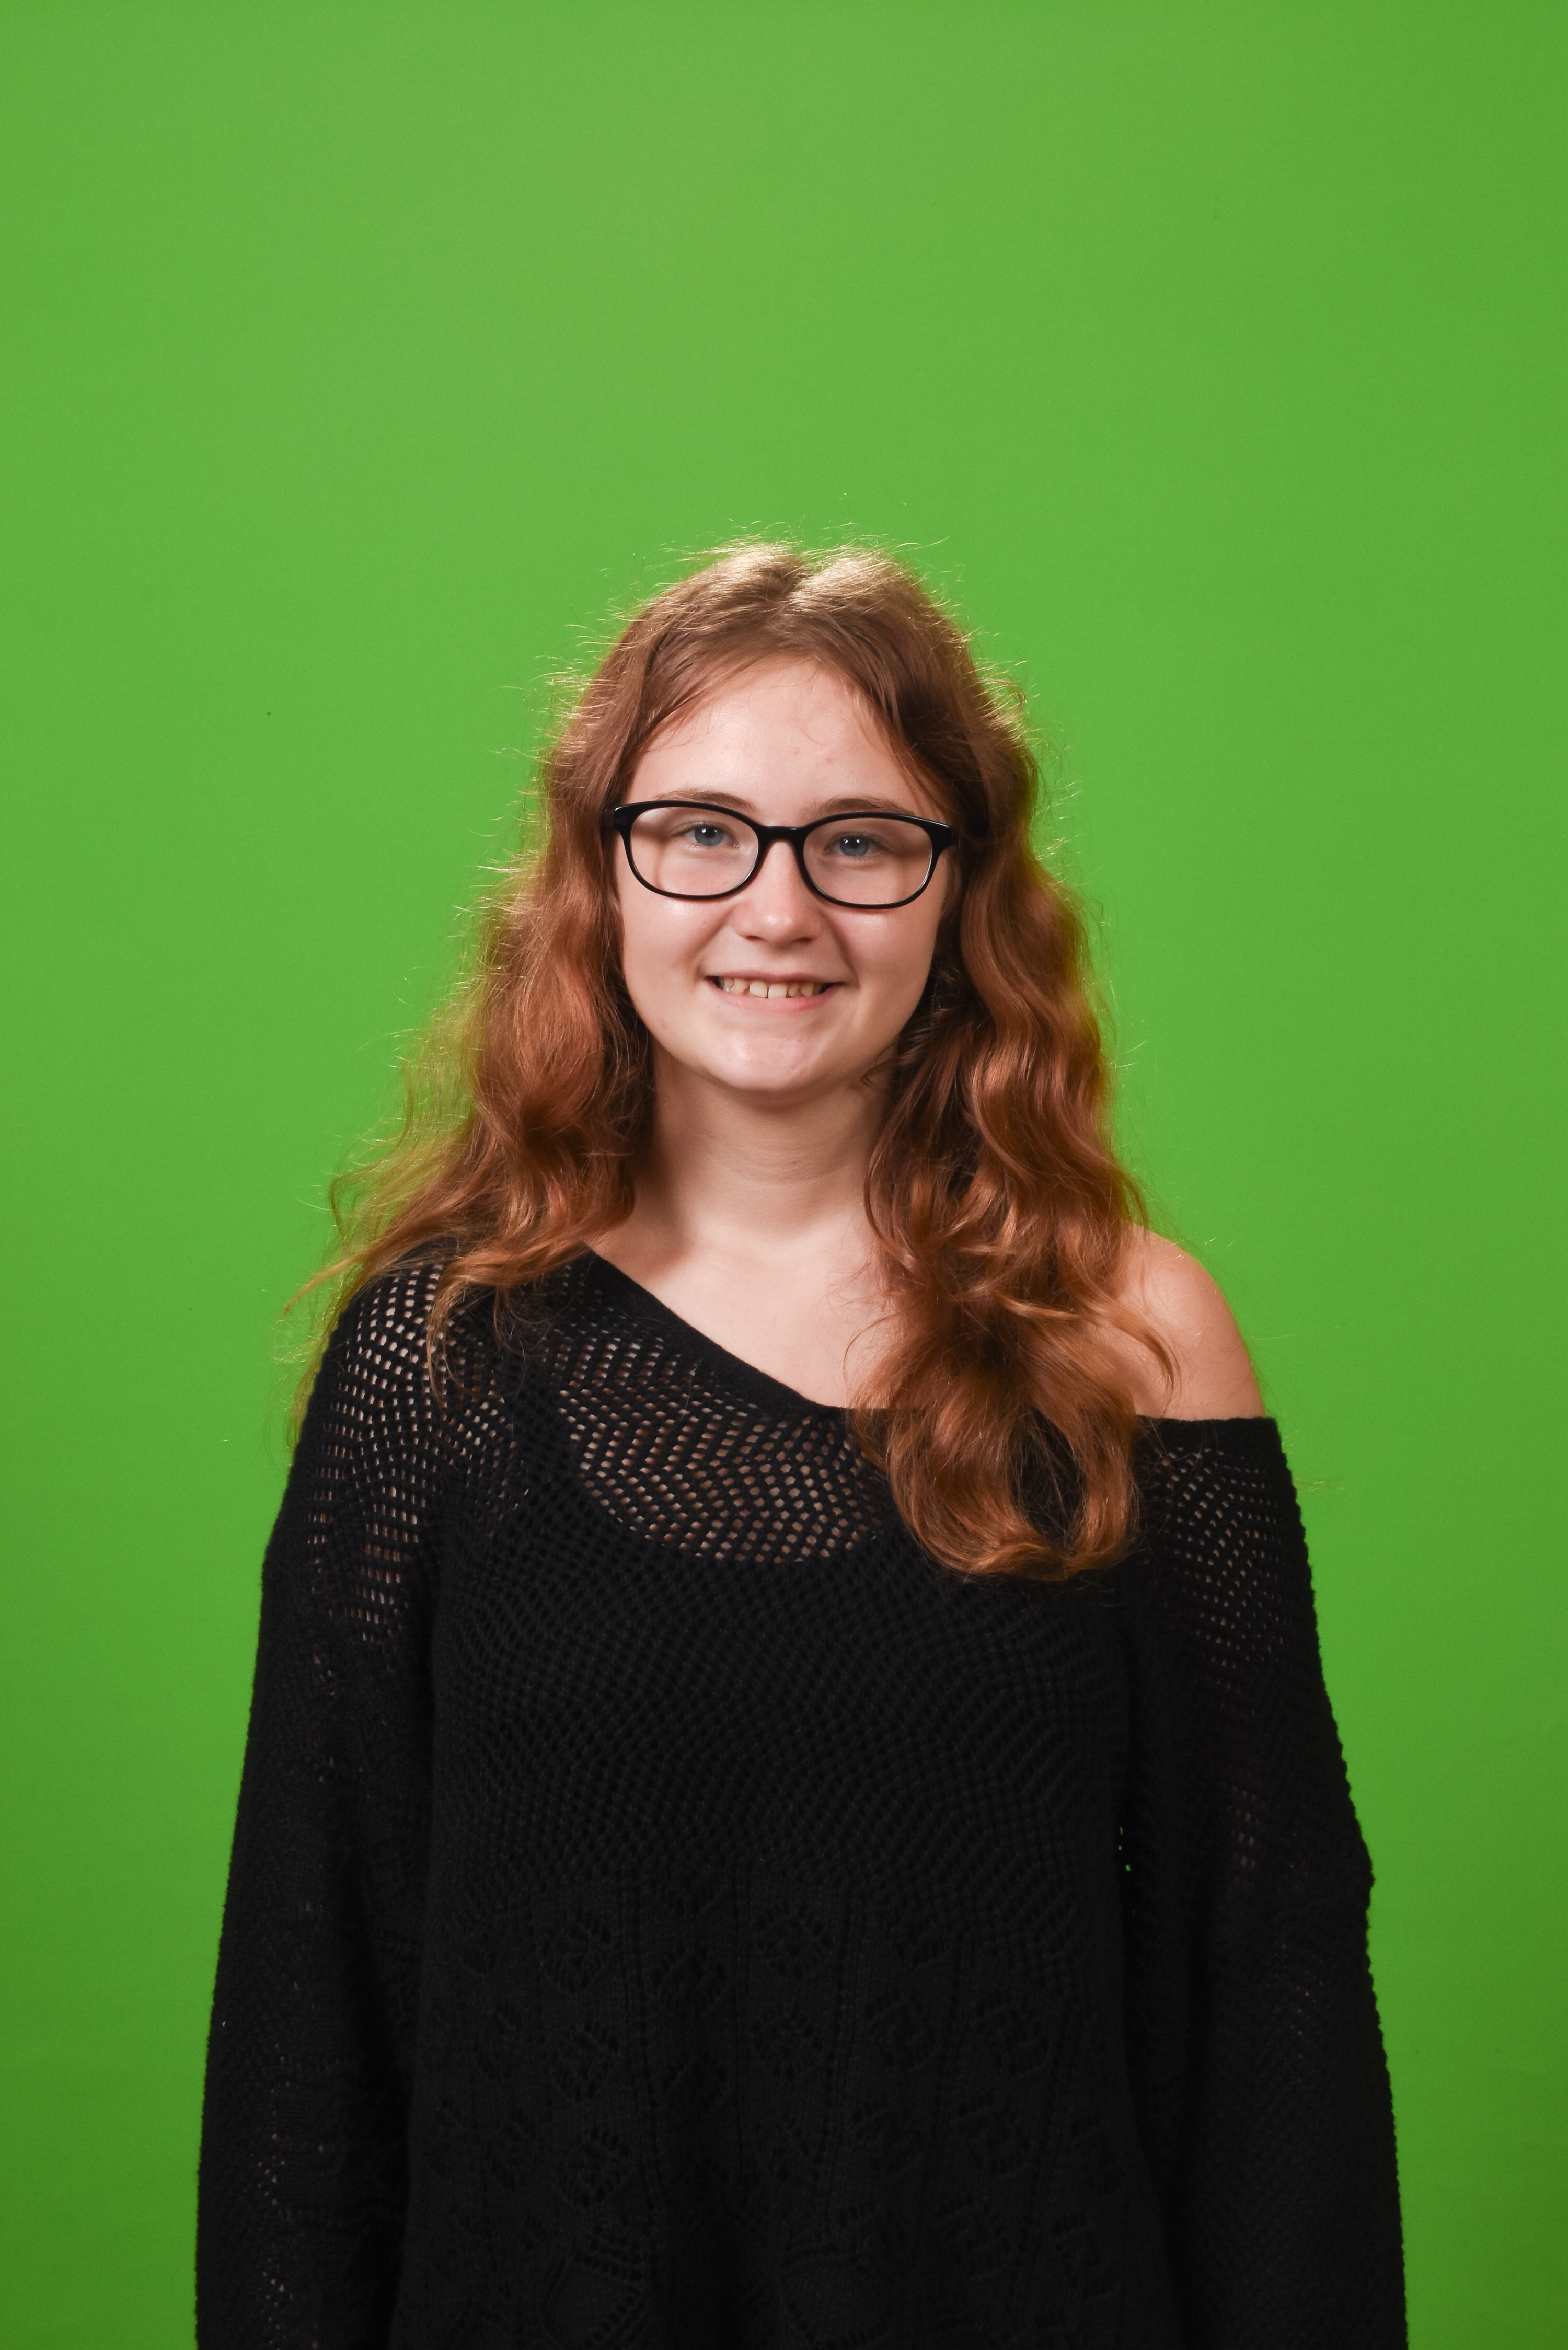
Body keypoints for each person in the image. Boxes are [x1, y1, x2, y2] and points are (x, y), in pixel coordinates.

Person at [198, 544, 1405, 2347]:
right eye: (700, 831)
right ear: (599, 874)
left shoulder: (1129, 1338)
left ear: (961, 891)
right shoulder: (439, 1356)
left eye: (859, 840)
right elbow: (314, 1990)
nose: (778, 909)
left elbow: (1270, 1958)